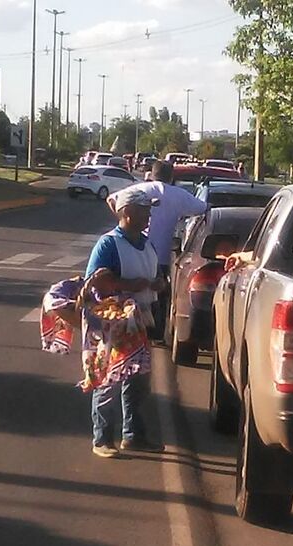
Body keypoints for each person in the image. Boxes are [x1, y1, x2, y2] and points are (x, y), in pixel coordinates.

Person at [86, 188, 166, 458]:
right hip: (112, 322)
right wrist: (127, 285)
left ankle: (134, 435)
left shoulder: (147, 244)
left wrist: (159, 283)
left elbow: (160, 276)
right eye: (145, 210)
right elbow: (93, 282)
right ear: (128, 213)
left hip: (140, 321)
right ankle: (103, 438)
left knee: (138, 380)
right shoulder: (109, 244)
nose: (149, 215)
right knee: (109, 378)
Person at [107, 160, 208, 340]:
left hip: (136, 249)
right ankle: (154, 331)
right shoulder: (179, 195)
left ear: (152, 174)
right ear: (171, 176)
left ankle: (130, 327)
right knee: (159, 294)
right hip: (163, 254)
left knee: (131, 290)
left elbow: (111, 198)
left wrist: (123, 221)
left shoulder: (139, 190)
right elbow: (204, 209)